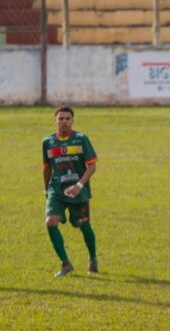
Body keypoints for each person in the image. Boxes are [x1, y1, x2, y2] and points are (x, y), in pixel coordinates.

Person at [43, 106, 98, 277]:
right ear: (55, 121)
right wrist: (46, 190)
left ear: (72, 121)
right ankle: (65, 263)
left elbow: (92, 166)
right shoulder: (48, 142)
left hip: (78, 191)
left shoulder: (81, 139)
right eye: (61, 118)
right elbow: (46, 168)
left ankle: (93, 258)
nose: (64, 121)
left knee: (84, 225)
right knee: (50, 222)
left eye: (67, 118)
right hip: (56, 191)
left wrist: (79, 186)